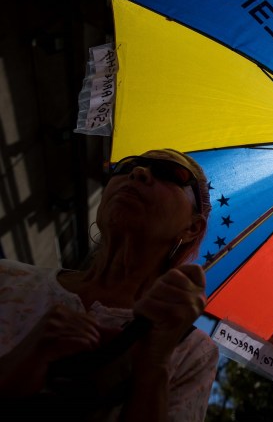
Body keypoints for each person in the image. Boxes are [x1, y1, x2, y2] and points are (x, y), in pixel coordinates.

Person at [0, 149, 219, 421]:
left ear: (192, 229)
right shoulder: (7, 279)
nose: (138, 173)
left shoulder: (193, 352)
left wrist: (155, 362)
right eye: (125, 167)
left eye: (169, 173)